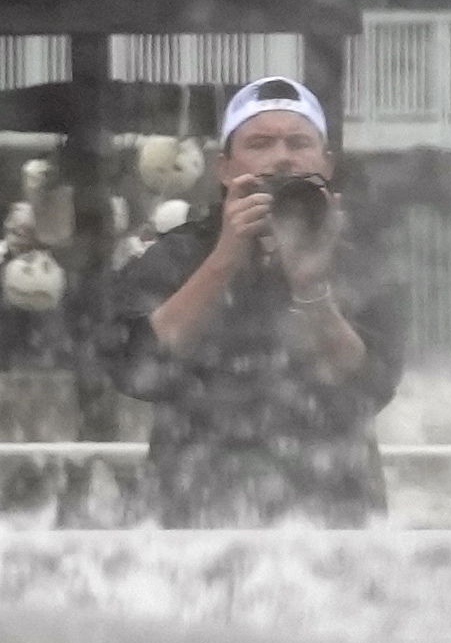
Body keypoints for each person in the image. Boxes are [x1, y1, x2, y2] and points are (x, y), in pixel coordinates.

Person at [103, 75, 407, 526]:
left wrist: (311, 287)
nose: (281, 158)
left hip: (332, 510)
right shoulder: (176, 253)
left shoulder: (362, 265)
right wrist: (224, 259)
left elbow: (371, 387)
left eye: (298, 142)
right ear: (225, 168)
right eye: (260, 143)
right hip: (193, 505)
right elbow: (135, 368)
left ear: (325, 164)